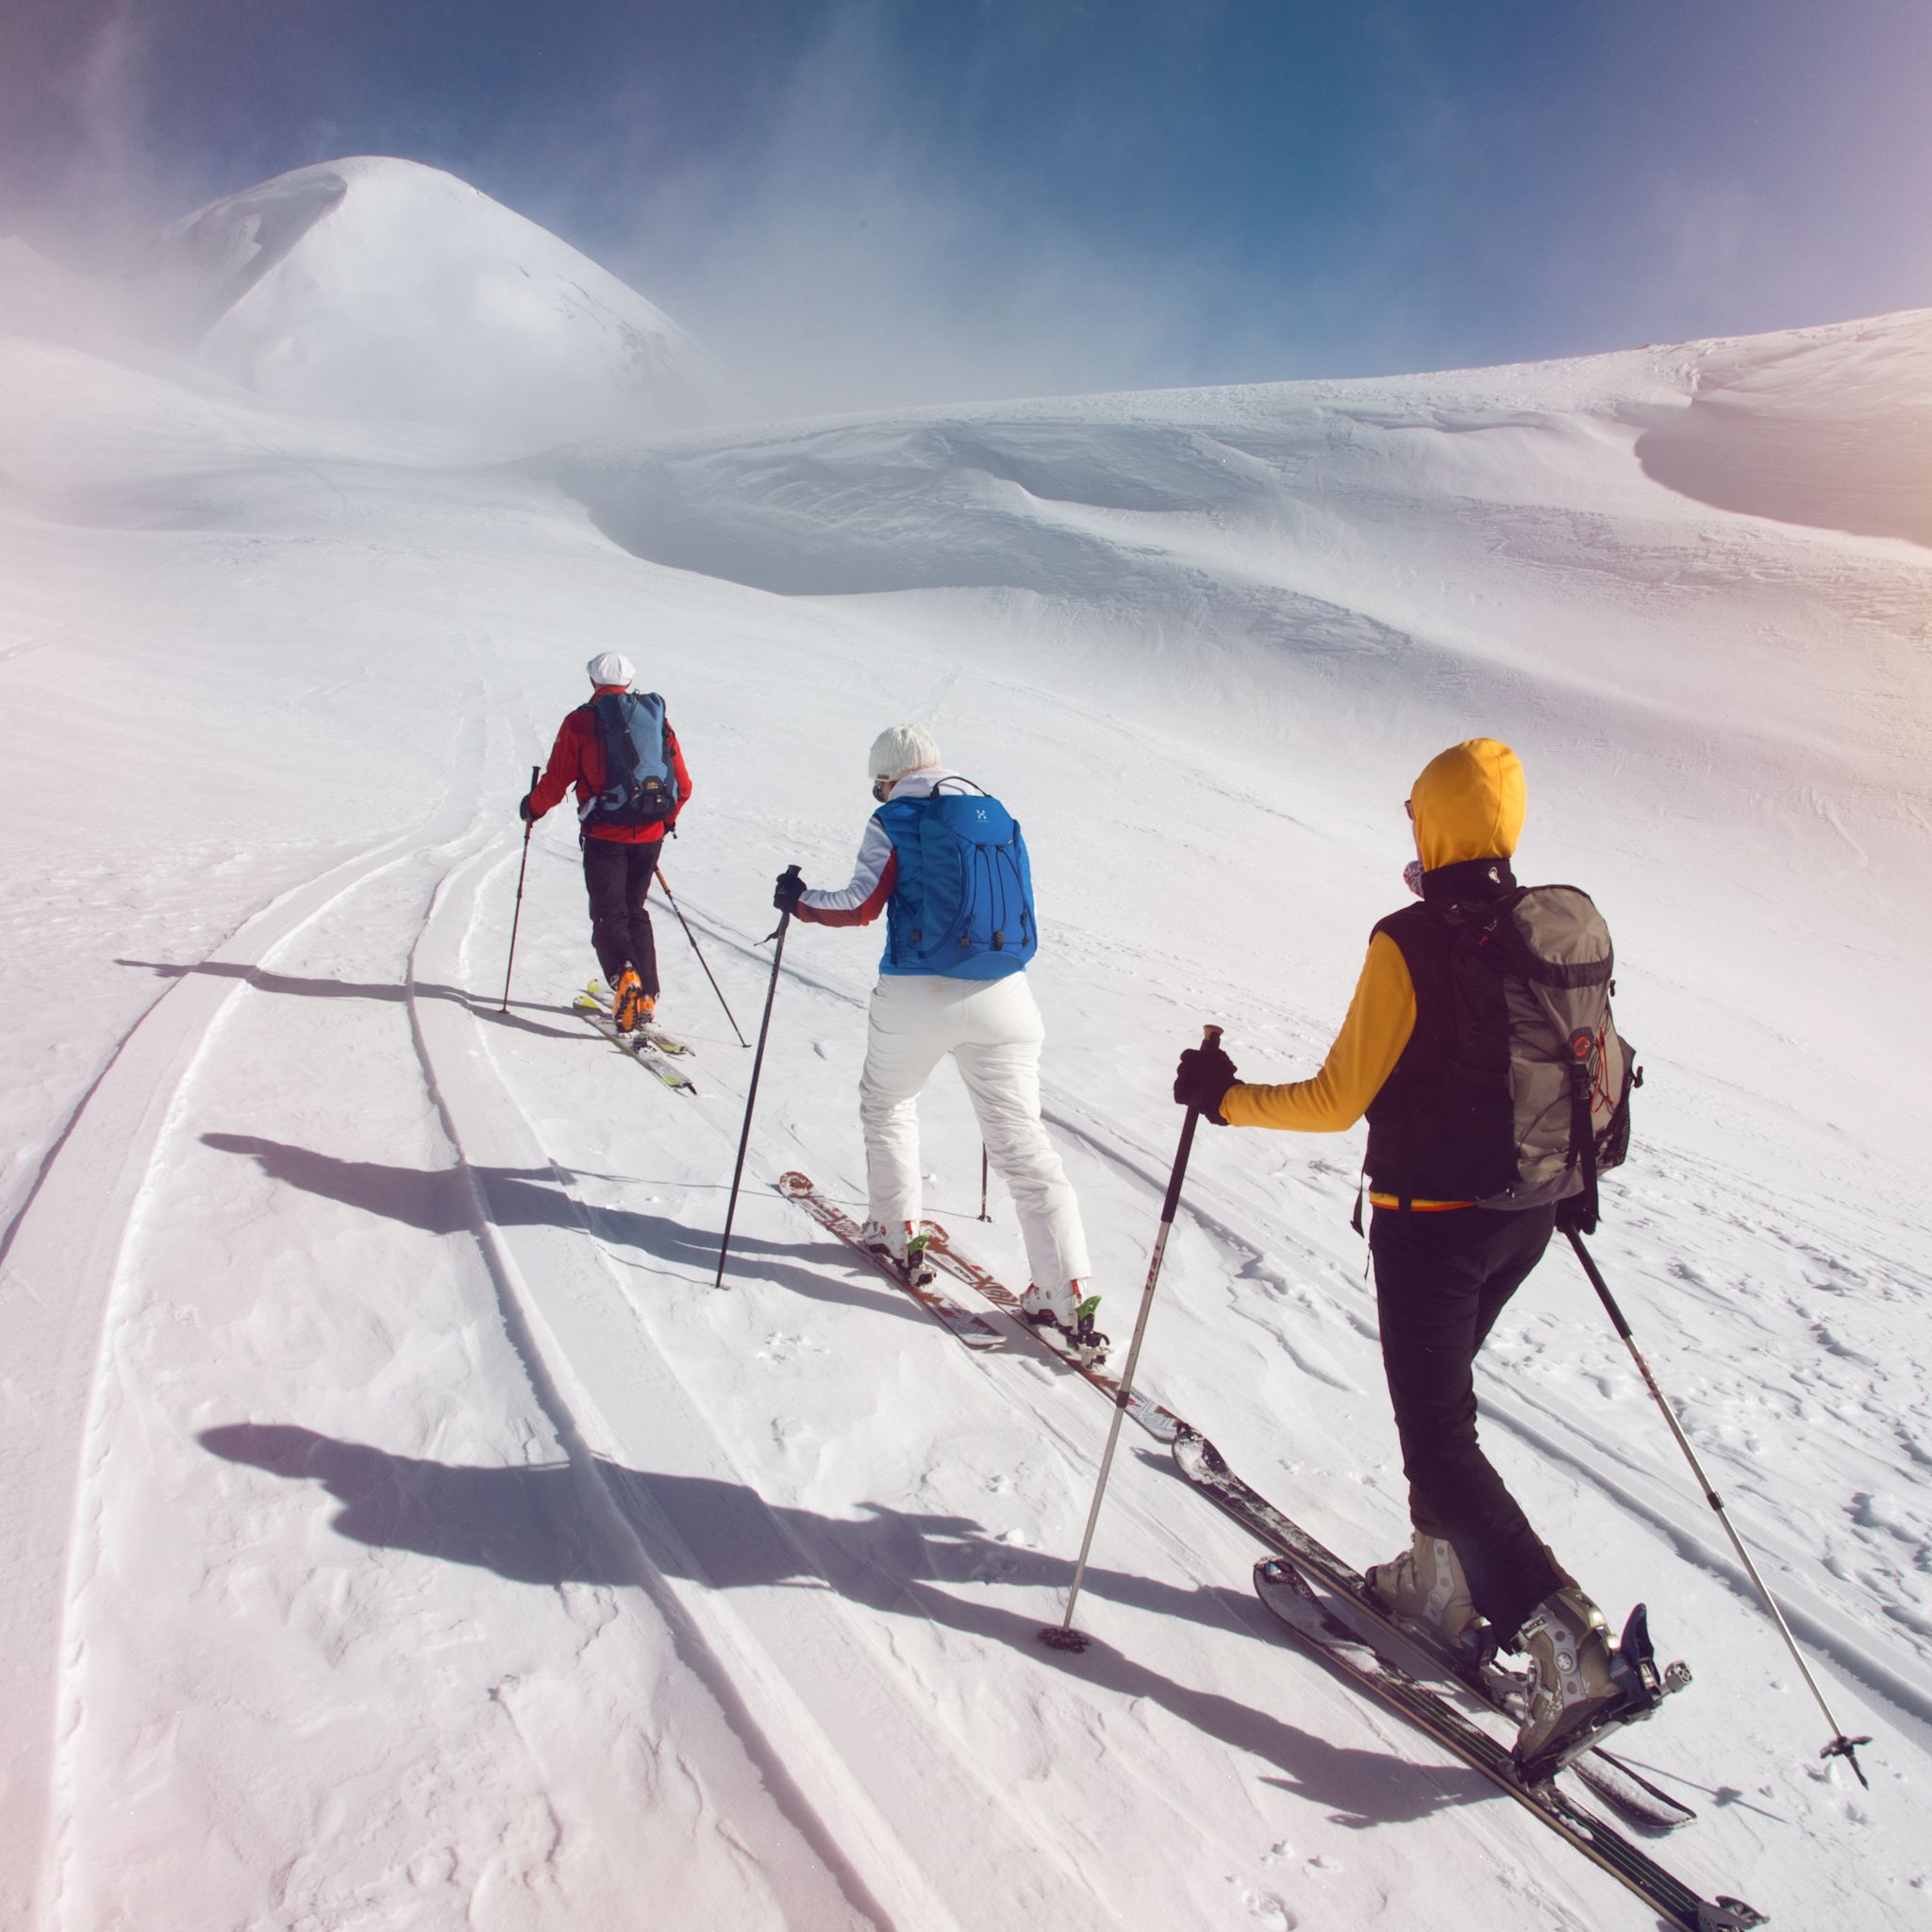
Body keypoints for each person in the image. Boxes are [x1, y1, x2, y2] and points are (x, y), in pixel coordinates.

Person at [1173, 738, 1651, 1776]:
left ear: (1431, 821)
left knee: (1437, 1435)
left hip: (1430, 1227)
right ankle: (1440, 1578)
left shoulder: (1409, 939)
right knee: (1441, 1413)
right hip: (1528, 1214)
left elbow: (1335, 1098)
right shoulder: (1544, 932)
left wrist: (1223, 1096)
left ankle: (1571, 1650)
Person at [774, 724, 1102, 1356]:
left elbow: (860, 904)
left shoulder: (895, 816)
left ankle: (897, 1231)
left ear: (889, 775)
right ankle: (1067, 1292)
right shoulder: (995, 814)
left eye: (878, 781)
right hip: (1006, 995)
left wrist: (799, 901)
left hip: (917, 990)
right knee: (1024, 1146)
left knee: (889, 1103)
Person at [522, 651, 691, 1032]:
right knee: (635, 910)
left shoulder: (581, 720)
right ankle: (646, 995)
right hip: (649, 835)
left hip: (604, 835)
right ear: (629, 681)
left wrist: (531, 808)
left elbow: (556, 780)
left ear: (592, 681)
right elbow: (684, 785)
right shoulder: (657, 720)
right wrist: (664, 822)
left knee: (608, 913)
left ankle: (624, 977)